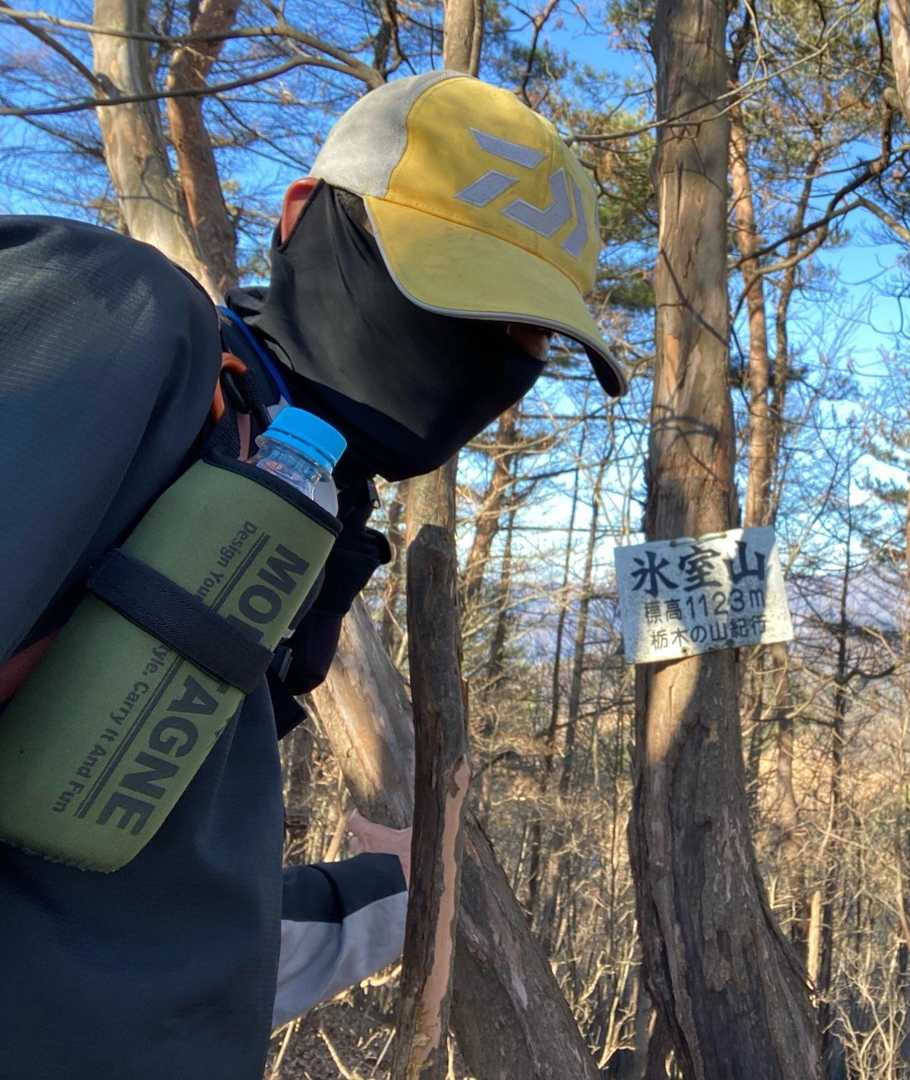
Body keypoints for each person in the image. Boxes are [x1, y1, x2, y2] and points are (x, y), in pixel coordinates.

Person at [0, 71, 624, 1078]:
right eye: (451, 285)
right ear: (302, 217)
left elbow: (148, 943)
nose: (494, 354)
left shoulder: (296, 523)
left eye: (531, 333)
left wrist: (380, 899)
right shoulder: (116, 319)